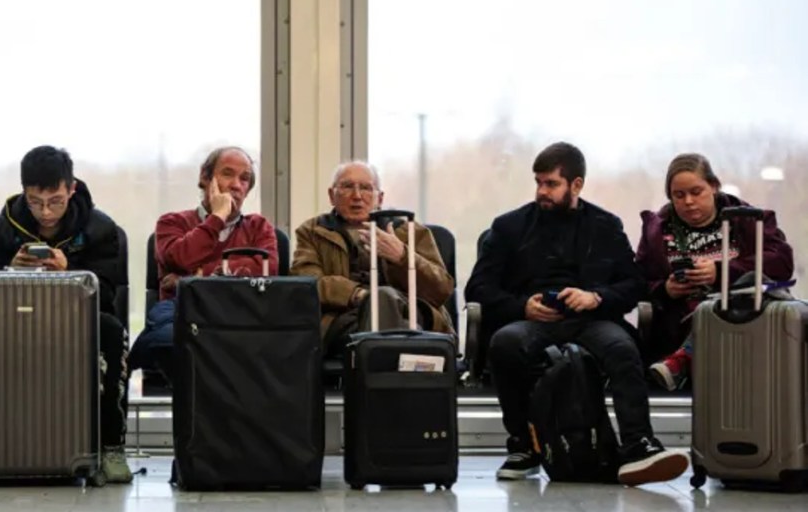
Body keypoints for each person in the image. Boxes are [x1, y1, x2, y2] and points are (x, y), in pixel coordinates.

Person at [465, 142, 688, 487]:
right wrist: (522, 306)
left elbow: (634, 284)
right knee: (505, 343)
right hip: (532, 321)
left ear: (577, 184)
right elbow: (477, 288)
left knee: (622, 350)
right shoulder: (509, 227)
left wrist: (596, 298)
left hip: (591, 319)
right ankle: (523, 446)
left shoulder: (605, 226)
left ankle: (638, 446)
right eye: (538, 182)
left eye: (551, 184)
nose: (542, 191)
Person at [0, 146, 132, 485]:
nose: (46, 212)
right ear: (24, 191)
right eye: (36, 202)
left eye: (55, 200)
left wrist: (72, 271)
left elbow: (109, 296)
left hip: (76, 323)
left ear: (71, 190)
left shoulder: (100, 229)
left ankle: (111, 445)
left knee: (111, 331)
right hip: (15, 321)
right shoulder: (1, 229)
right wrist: (11, 270)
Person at [636, 153, 794, 390]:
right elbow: (635, 281)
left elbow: (781, 263)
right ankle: (683, 358)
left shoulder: (749, 220)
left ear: (714, 186)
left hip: (743, 321)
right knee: (705, 314)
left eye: (696, 192)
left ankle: (681, 361)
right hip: (679, 322)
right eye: (679, 195)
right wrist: (665, 289)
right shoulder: (656, 231)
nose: (688, 201)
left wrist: (721, 273)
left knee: (742, 289)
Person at [129, 146, 278, 378]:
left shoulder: (258, 227)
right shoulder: (171, 223)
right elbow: (180, 257)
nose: (236, 185)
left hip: (239, 310)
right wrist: (217, 218)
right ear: (205, 178)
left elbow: (266, 268)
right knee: (167, 340)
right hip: (184, 309)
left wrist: (198, 276)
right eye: (227, 174)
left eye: (245, 179)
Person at [291, 161, 454, 356]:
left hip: (412, 314)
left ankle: (378, 375)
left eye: (367, 188)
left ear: (380, 198)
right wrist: (357, 294)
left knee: (386, 300)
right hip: (346, 320)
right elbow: (306, 284)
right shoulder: (312, 232)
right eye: (347, 186)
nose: (357, 196)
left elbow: (441, 290)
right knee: (385, 305)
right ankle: (397, 374)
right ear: (331, 195)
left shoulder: (410, 231)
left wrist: (401, 256)